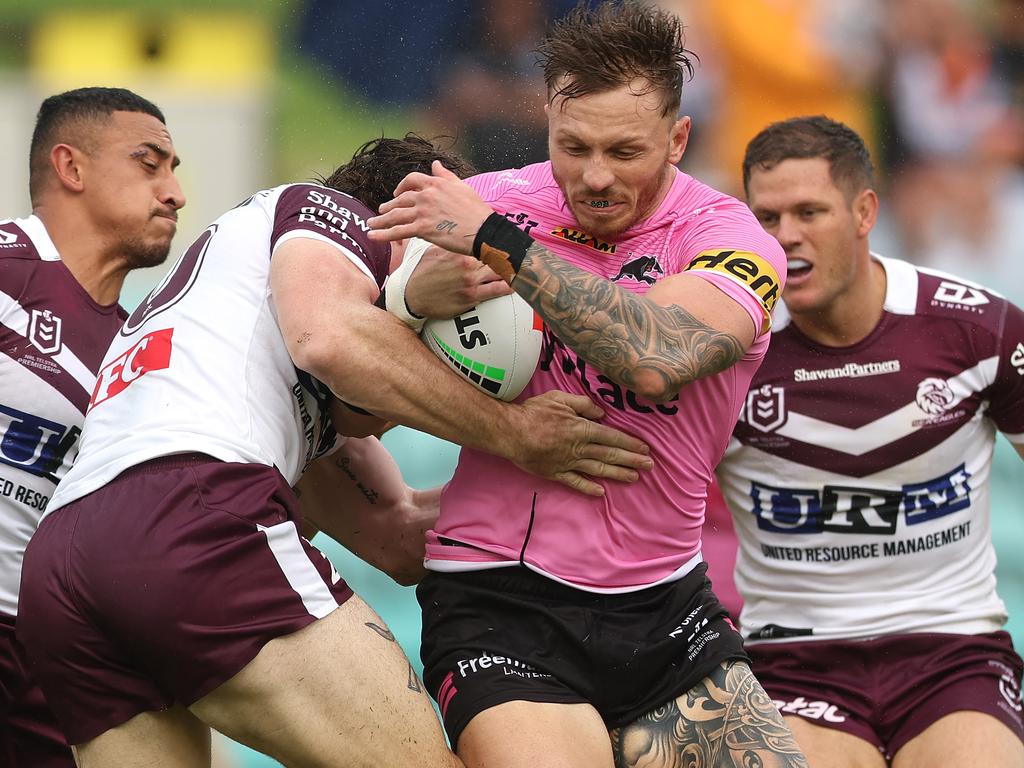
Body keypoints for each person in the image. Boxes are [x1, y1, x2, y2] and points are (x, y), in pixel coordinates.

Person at [16, 131, 652, 768]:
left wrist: (600, 488)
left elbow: (397, 535)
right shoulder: (326, 211)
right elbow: (329, 339)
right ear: (403, 218)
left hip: (64, 571)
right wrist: (515, 435)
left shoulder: (234, 350)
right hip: (191, 514)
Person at [368, 3, 808, 766]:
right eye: (573, 146)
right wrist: (406, 301)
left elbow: (657, 355)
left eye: (624, 150)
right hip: (497, 603)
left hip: (668, 611)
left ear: (678, 139)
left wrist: (501, 249)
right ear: (546, 125)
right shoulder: (483, 203)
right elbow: (346, 387)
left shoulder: (727, 238)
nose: (595, 175)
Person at [713, 115, 1024, 767]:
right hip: (794, 665)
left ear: (864, 212)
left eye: (809, 212)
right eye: (766, 219)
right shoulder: (726, 350)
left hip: (953, 654)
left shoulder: (980, 328)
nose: (787, 237)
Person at [0, 86, 186, 768]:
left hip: (46, 654)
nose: (175, 193)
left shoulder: (141, 353)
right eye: (150, 163)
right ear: (72, 169)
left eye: (175, 169)